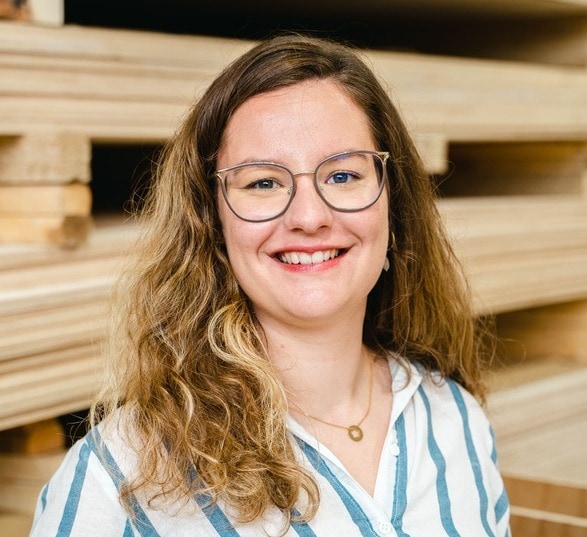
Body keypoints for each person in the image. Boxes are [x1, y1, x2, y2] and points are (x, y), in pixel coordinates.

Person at [30, 34, 510, 536]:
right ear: (212, 225)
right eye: (262, 182)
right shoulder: (120, 478)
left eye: (344, 176)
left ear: (394, 207)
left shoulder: (458, 421)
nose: (309, 216)